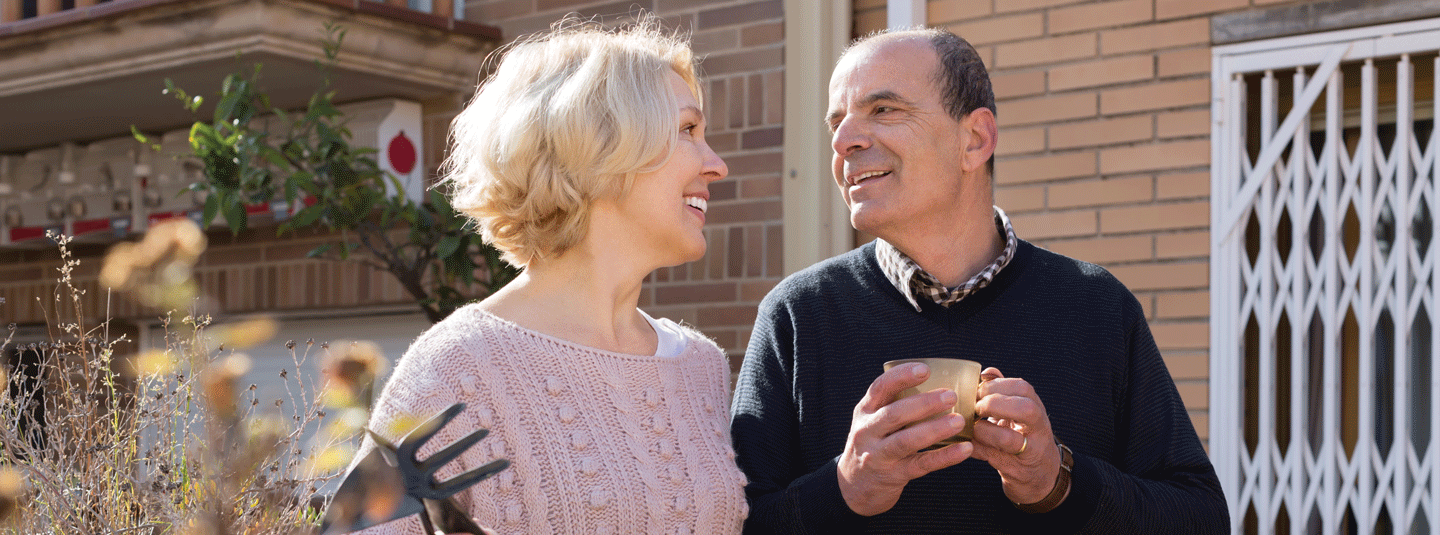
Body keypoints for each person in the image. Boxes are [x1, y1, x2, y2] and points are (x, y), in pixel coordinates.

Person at [729, 27, 1228, 534]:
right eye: (837, 122)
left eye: (884, 110)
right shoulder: (796, 315)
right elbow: (732, 523)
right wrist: (842, 489)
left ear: (975, 139)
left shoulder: (1097, 307)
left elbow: (1202, 518)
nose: (842, 141)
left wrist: (1058, 483)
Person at [351, 17, 747, 535]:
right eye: (688, 130)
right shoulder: (458, 367)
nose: (716, 164)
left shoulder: (700, 366)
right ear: (600, 149)